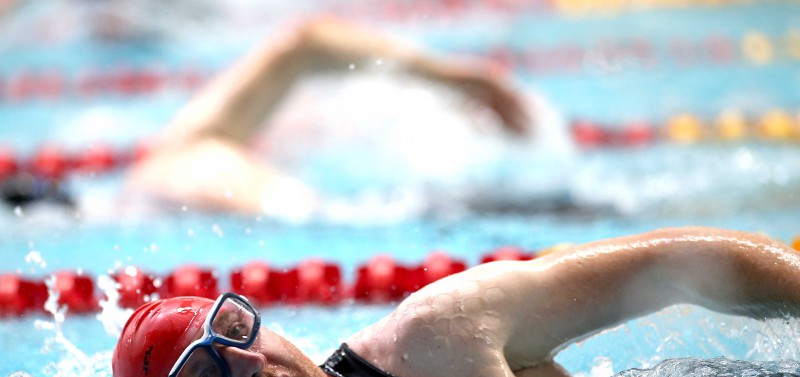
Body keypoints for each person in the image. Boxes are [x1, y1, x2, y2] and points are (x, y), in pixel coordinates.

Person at [112, 226, 800, 377]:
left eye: (236, 333)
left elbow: (683, 261)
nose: (254, 367)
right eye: (208, 376)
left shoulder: (435, 331)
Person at [123, 16, 532, 216]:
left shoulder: (189, 149)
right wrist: (452, 77)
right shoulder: (185, 156)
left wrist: (453, 78)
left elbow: (304, 44)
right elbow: (303, 44)